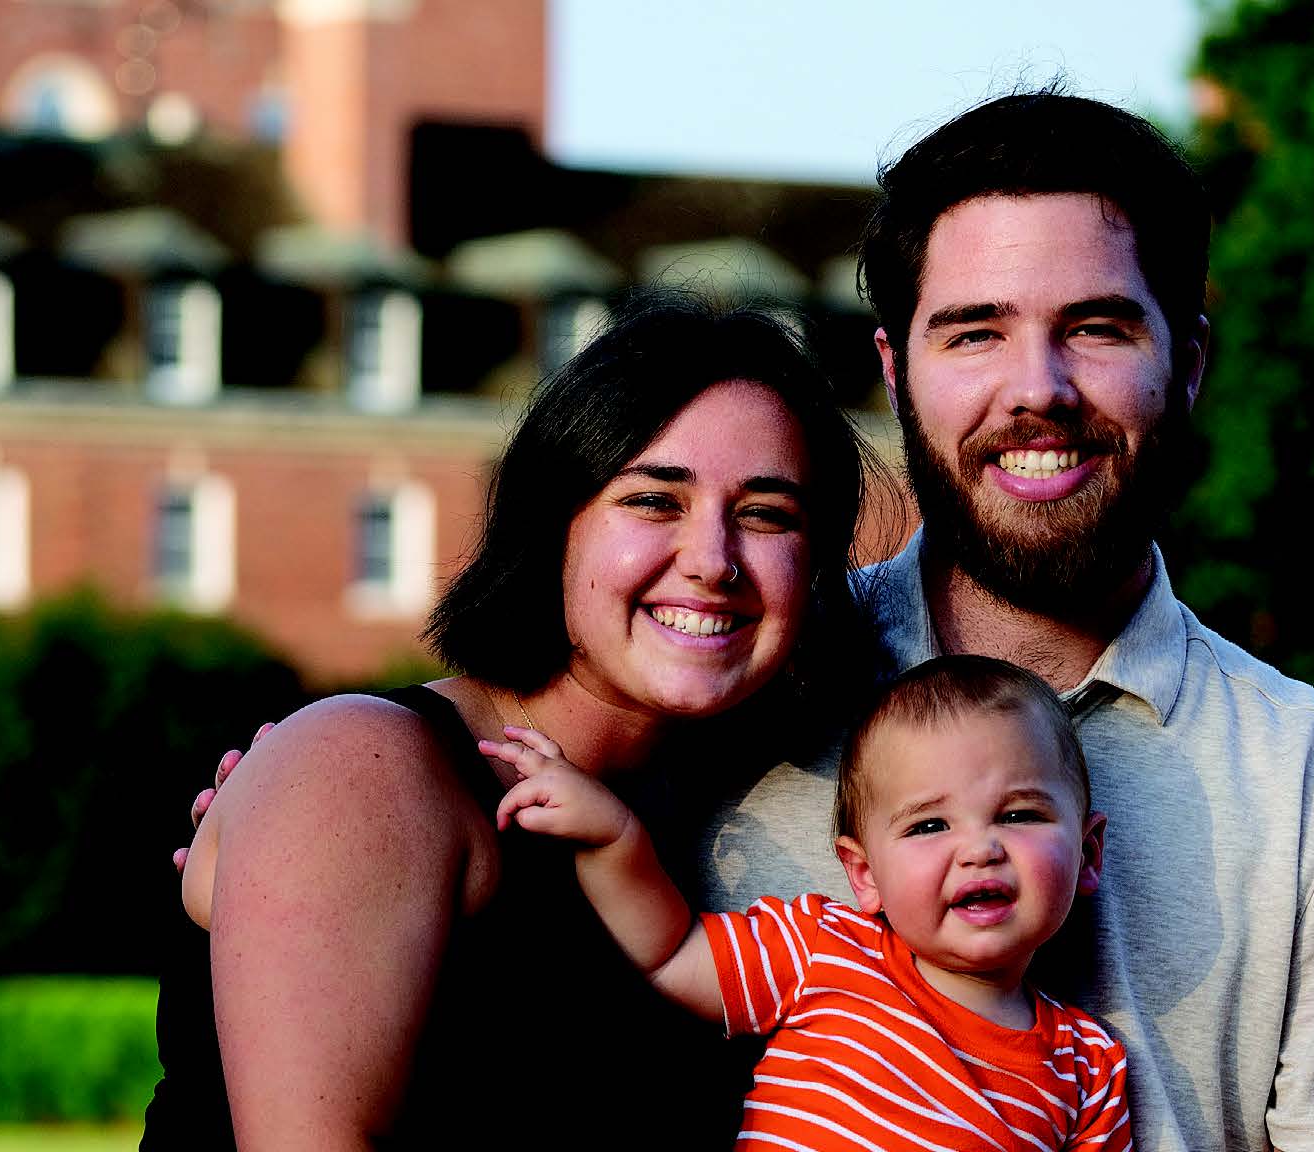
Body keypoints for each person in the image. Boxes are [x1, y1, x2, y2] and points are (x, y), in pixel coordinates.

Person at [182, 90, 1314, 1151]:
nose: (1036, 389)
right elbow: (452, 839)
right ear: (895, 368)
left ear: (1183, 362)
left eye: (1093, 328)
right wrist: (288, 840)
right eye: (973, 332)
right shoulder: (752, 691)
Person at [141, 291, 882, 1150]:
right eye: (652, 501)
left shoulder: (706, 820)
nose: (713, 561)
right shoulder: (368, 765)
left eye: (767, 514)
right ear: (550, 526)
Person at [492, 654, 1131, 1151]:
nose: (979, 849)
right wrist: (614, 838)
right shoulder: (823, 949)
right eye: (929, 826)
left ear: (1089, 854)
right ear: (863, 874)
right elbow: (673, 950)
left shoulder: (1088, 1067)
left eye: (1018, 814)